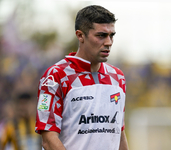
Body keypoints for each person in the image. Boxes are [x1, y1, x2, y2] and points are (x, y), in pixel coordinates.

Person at [35, 5, 129, 150]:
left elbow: (119, 134)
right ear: (80, 35)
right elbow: (48, 139)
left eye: (112, 35)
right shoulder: (56, 76)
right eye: (101, 35)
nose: (109, 42)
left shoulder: (117, 77)